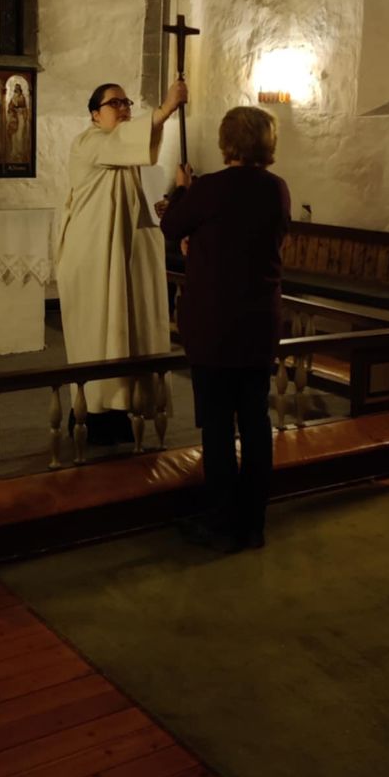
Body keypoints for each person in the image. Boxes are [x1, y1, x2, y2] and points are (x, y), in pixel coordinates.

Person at [159, 105, 290, 551]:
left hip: (215, 323)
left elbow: (171, 225)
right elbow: (252, 240)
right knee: (255, 422)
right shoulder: (276, 189)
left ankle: (221, 522)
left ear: (227, 141)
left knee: (217, 428)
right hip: (258, 322)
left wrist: (183, 189)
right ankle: (253, 523)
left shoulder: (210, 187)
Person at [57, 78, 187, 444]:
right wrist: (166, 109)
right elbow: (121, 144)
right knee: (98, 337)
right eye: (114, 103)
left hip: (121, 259)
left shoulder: (128, 159)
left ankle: (119, 409)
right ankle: (91, 414)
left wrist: (166, 203)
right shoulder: (88, 143)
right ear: (94, 115)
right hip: (93, 260)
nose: (124, 108)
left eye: (127, 102)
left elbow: (135, 206)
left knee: (127, 333)